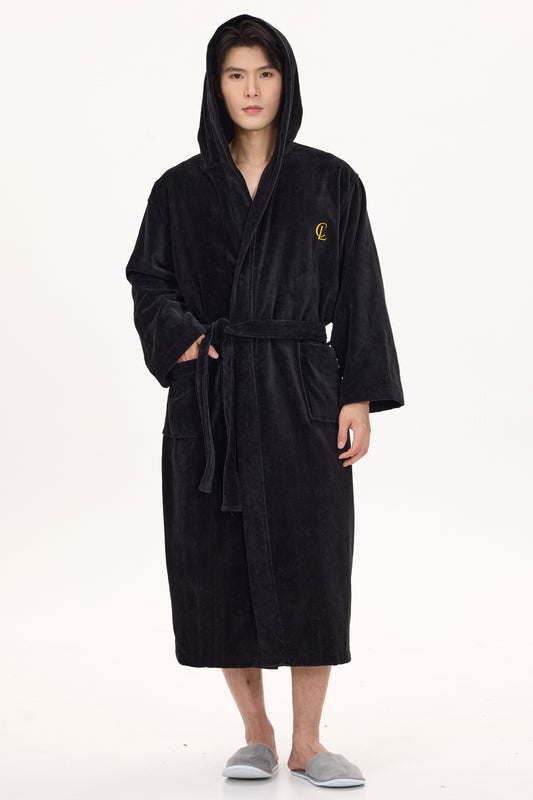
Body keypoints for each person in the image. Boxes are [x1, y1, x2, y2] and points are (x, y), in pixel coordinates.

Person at [125, 12, 404, 788]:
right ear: (215, 87)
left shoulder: (329, 181)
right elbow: (148, 281)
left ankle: (308, 742)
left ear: (286, 82)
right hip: (212, 397)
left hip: (301, 393)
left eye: (265, 73)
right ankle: (255, 733)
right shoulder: (178, 190)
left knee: (314, 561)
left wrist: (357, 394)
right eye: (235, 74)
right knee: (218, 566)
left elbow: (359, 290)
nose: (251, 89)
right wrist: (186, 340)